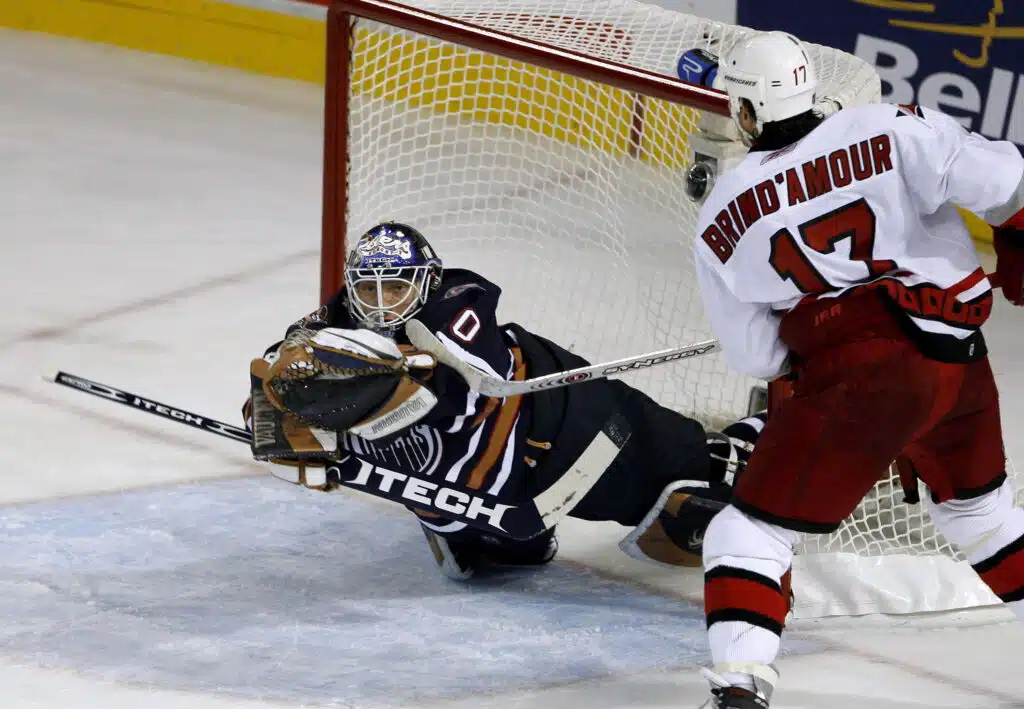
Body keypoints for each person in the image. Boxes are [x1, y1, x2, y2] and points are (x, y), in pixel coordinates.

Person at [637, 31, 1024, 709]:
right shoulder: (890, 126)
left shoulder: (723, 213)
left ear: (746, 110)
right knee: (980, 515)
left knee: (745, 529)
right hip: (958, 365)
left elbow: (757, 357)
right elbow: (1009, 176)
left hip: (863, 379)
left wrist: (818, 363)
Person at [245, 221, 765, 579]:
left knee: (696, 483)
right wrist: (277, 417)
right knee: (490, 563)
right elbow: (275, 377)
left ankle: (765, 434)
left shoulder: (456, 306)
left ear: (425, 283)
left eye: (396, 288)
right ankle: (498, 539)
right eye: (369, 289)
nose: (380, 304)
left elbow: (449, 391)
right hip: (476, 499)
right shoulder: (336, 320)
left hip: (568, 425)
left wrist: (367, 393)